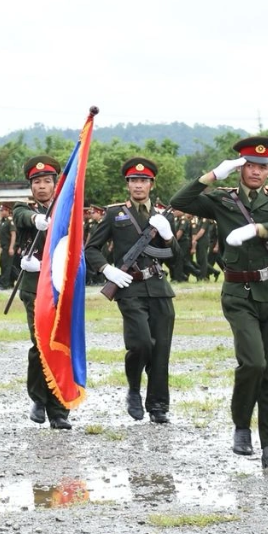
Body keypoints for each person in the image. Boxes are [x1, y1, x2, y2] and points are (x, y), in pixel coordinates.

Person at [170, 136, 268, 470]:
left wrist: (257, 229)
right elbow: (179, 200)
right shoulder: (222, 201)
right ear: (241, 168)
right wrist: (214, 175)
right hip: (238, 294)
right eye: (251, 166)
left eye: (263, 167)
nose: (257, 172)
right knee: (253, 363)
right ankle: (242, 425)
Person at [84, 157, 178, 424]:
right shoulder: (115, 214)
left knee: (161, 350)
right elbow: (91, 249)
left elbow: (176, 257)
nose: (139, 185)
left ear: (151, 183)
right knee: (140, 344)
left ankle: (158, 405)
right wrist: (106, 270)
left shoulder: (161, 215)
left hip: (159, 288)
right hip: (129, 288)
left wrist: (168, 235)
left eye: (144, 180)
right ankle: (134, 389)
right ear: (128, 184)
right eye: (134, 180)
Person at [11, 155, 71, 429]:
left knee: (60, 346)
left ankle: (59, 409)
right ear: (31, 186)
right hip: (34, 288)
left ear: (55, 184)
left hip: (61, 286)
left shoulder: (66, 210)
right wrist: (37, 219)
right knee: (40, 345)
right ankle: (38, 398)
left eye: (47, 181)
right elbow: (22, 216)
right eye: (37, 182)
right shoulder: (22, 209)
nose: (42, 187)